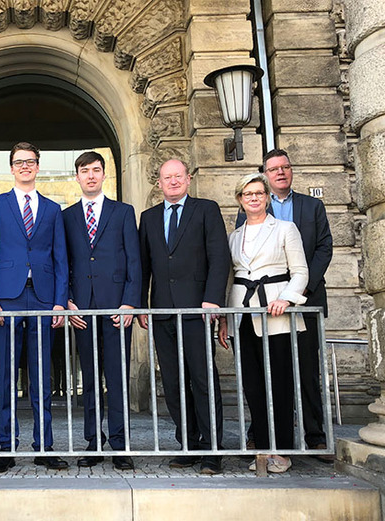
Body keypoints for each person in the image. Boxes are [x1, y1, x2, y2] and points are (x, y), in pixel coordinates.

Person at [0, 141, 69, 473]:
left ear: (38, 166)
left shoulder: (52, 209)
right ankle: (6, 446)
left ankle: (44, 445)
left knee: (41, 374)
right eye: (19, 162)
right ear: (11, 168)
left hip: (43, 298)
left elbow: (61, 260)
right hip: (7, 298)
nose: (25, 166)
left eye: (30, 161)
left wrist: (60, 302)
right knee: (6, 373)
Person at [235, 149, 333, 462]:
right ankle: (261, 440)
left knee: (301, 373)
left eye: (285, 167)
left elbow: (321, 249)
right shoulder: (238, 228)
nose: (281, 172)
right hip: (250, 313)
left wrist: (295, 292)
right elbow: (238, 270)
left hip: (297, 301)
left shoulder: (309, 206)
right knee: (256, 381)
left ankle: (311, 438)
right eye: (274, 169)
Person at [138, 159, 229, 475]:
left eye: (178, 176)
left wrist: (213, 300)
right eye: (167, 177)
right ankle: (188, 444)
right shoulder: (148, 218)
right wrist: (141, 306)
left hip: (197, 312)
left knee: (203, 380)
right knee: (174, 383)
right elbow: (143, 266)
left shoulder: (206, 210)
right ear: (159, 183)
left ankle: (213, 448)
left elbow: (220, 259)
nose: (173, 181)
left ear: (188, 179)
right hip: (163, 312)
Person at [221, 173, 308, 473]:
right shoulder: (234, 236)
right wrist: (224, 319)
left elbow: (300, 271)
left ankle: (282, 450)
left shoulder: (285, 228)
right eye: (248, 194)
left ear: (268, 197)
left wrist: (286, 297)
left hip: (275, 314)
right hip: (242, 315)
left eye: (259, 192)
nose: (254, 198)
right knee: (253, 386)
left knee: (279, 384)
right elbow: (230, 277)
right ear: (240, 200)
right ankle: (262, 447)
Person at [62, 151, 140, 470]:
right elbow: (62, 262)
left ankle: (120, 445)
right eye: (85, 171)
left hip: (117, 306)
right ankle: (94, 442)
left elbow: (135, 259)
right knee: (90, 378)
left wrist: (130, 302)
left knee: (117, 376)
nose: (91, 175)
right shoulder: (66, 217)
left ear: (104, 175)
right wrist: (67, 301)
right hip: (82, 307)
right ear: (77, 177)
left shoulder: (122, 212)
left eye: (96, 170)